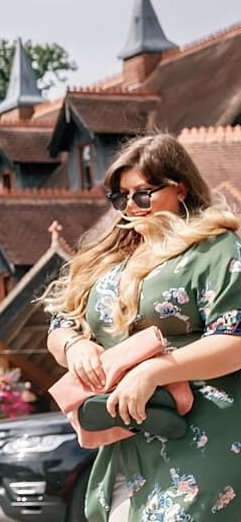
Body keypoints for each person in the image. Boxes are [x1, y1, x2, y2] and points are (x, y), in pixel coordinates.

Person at [42, 133, 241, 521]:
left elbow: (234, 339)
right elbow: (62, 321)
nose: (131, 206)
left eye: (143, 193)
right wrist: (74, 346)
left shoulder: (215, 249)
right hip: (126, 437)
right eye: (121, 197)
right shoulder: (107, 258)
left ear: (179, 188)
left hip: (203, 433)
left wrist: (155, 369)